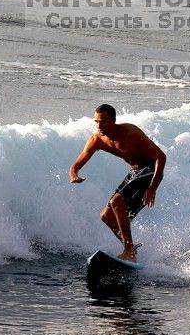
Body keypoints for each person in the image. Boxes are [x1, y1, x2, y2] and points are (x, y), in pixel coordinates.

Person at [68, 104, 166, 262]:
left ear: (113, 120)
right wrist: (74, 175)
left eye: (103, 122)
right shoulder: (97, 139)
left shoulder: (130, 133)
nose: (99, 125)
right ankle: (131, 248)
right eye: (96, 121)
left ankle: (128, 251)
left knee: (117, 201)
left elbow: (161, 157)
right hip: (135, 172)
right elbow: (76, 165)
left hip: (149, 170)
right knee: (106, 216)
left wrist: (152, 188)